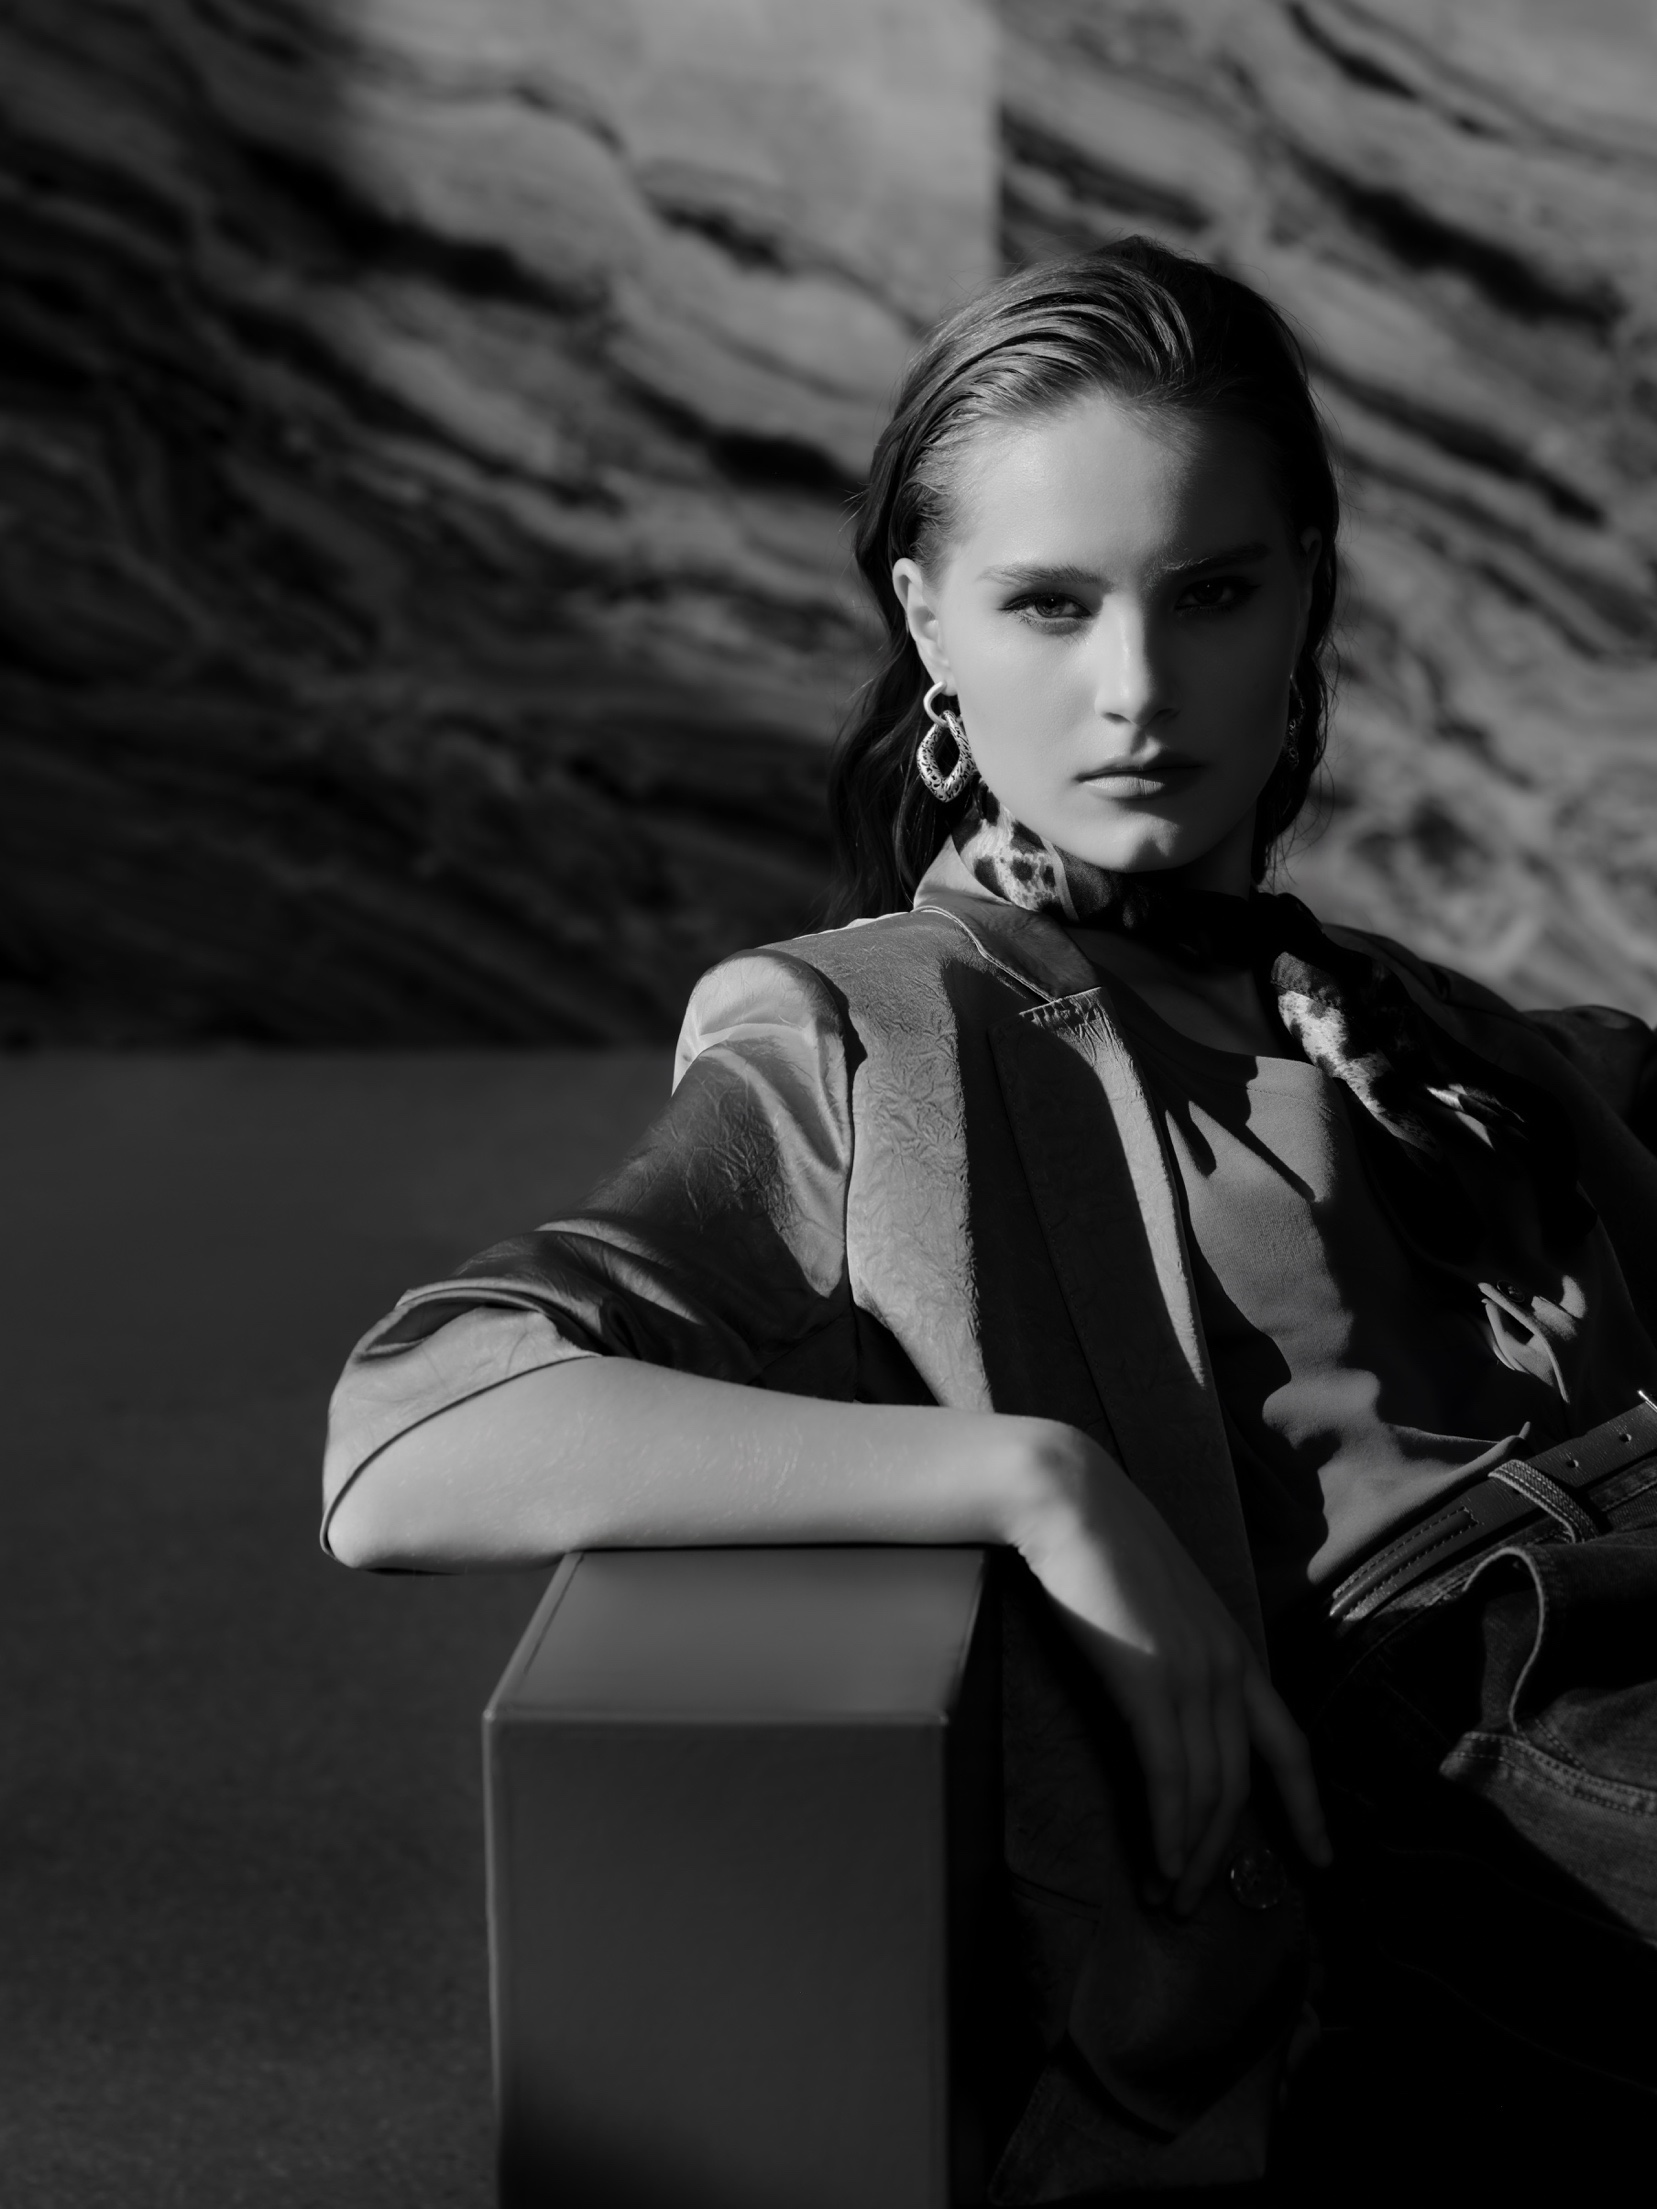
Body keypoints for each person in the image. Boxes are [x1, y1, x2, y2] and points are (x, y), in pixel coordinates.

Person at [323, 239, 1657, 2197]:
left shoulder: (1423, 1022)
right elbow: (414, 1428)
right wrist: (1036, 1479)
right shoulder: (879, 1036)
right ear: (925, 618)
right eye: (1049, 603)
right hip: (1493, 1755)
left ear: (1304, 595)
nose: (1137, 689)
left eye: (1212, 592)